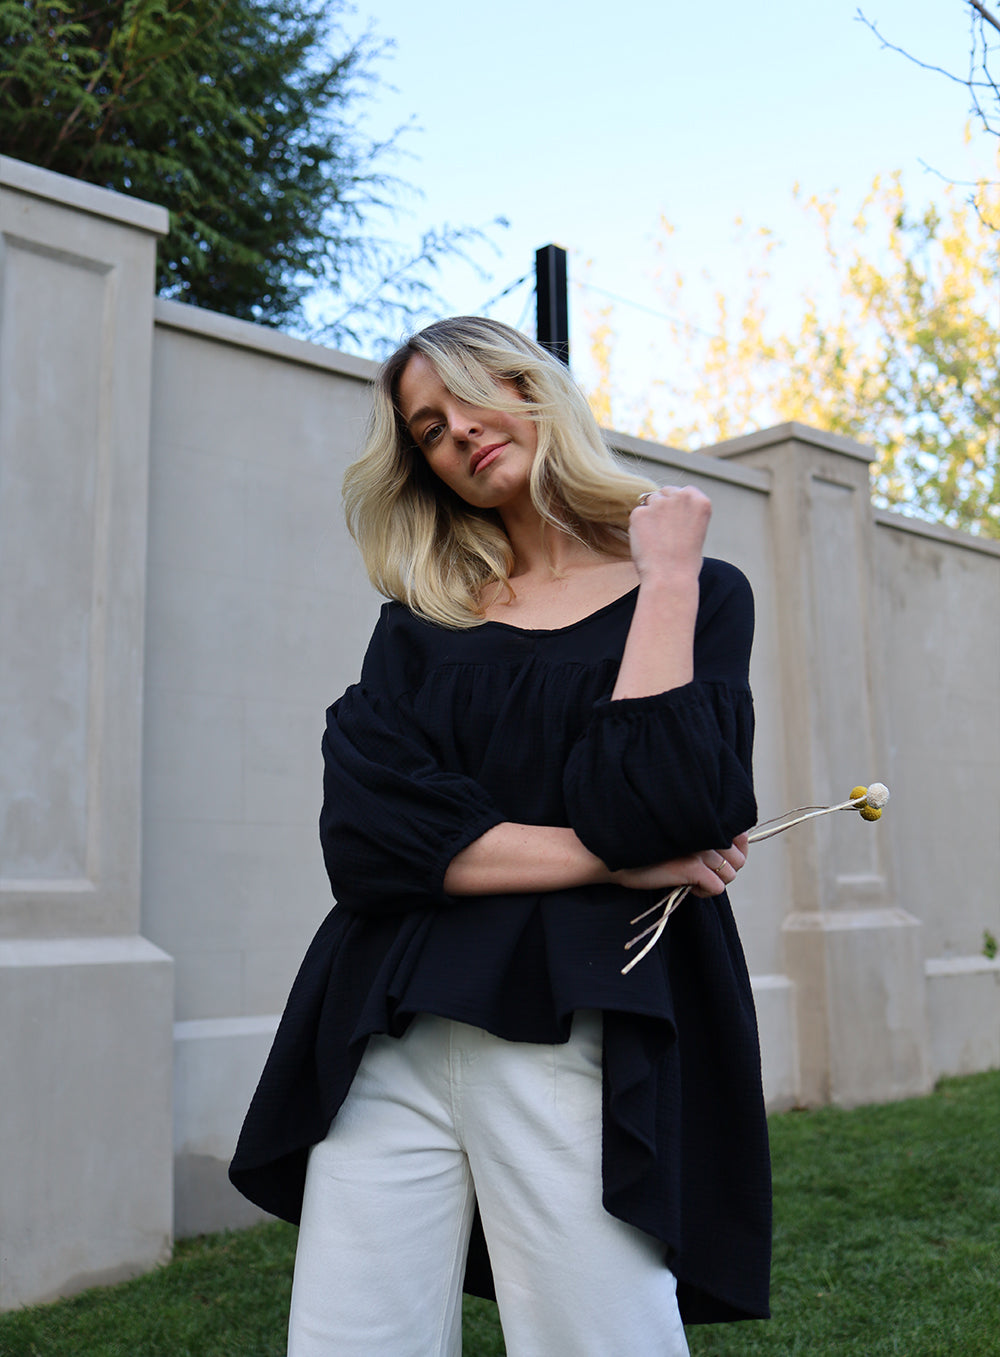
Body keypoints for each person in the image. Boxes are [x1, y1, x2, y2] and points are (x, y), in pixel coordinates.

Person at [229, 317, 771, 1355]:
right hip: (389, 1025)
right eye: (429, 429)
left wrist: (666, 578)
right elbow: (370, 836)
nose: (459, 433)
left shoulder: (694, 591)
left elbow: (667, 802)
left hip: (574, 1021)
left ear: (532, 388)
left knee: (596, 1336)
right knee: (349, 1339)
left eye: (473, 395)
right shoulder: (422, 621)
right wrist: (606, 855)